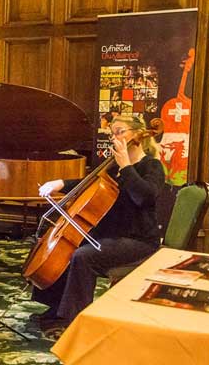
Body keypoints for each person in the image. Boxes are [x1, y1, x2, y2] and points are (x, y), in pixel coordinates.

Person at [32, 115, 164, 330]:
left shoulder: (152, 166)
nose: (114, 137)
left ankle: (73, 320)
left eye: (120, 131)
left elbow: (145, 196)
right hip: (111, 234)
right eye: (113, 133)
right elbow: (88, 184)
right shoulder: (112, 167)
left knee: (84, 256)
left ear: (138, 135)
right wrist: (60, 183)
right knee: (67, 245)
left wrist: (126, 166)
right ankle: (56, 308)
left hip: (138, 239)